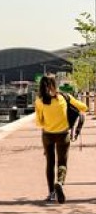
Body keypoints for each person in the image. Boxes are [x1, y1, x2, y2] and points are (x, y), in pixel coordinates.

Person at [35, 73, 87, 204]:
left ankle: (51, 194)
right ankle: (60, 182)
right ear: (55, 84)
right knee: (62, 162)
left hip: (47, 135)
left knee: (50, 163)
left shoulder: (40, 101)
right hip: (63, 134)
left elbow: (39, 122)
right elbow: (84, 107)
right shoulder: (64, 97)